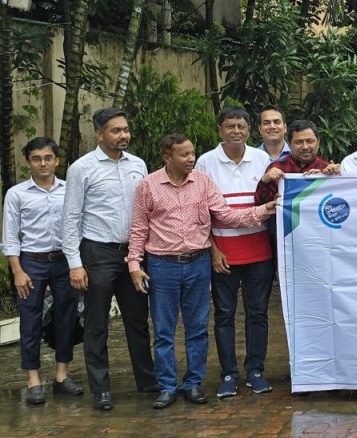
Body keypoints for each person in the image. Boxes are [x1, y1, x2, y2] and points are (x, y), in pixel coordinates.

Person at [127, 134, 278, 409]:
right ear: (167, 157)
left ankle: (193, 383)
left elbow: (227, 215)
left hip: (198, 263)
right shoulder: (148, 186)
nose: (191, 159)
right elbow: (138, 229)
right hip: (162, 265)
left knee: (197, 328)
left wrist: (264, 210)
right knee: (163, 330)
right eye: (184, 154)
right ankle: (167, 387)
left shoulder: (203, 182)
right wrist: (134, 265)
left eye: (192, 153)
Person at [62, 108, 156, 410]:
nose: (123, 135)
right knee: (97, 323)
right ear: (99, 134)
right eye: (116, 130)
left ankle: (147, 381)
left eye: (125, 129)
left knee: (138, 320)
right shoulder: (82, 168)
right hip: (97, 253)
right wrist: (75, 263)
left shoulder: (138, 165)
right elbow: (71, 218)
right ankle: (101, 389)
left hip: (134, 253)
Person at [195, 107, 276, 398]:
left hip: (260, 253)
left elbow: (273, 199)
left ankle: (255, 371)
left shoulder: (263, 160)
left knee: (258, 313)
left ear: (249, 130)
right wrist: (213, 250)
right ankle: (228, 373)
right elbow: (199, 213)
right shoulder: (205, 162)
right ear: (220, 129)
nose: (236, 131)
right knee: (224, 315)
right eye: (230, 126)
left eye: (241, 126)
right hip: (224, 255)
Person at [3, 137, 83, 405]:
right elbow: (10, 236)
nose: (43, 163)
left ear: (56, 160)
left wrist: (78, 263)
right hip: (31, 262)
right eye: (36, 159)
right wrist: (17, 270)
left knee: (67, 317)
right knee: (30, 319)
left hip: (64, 260)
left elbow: (78, 226)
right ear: (29, 162)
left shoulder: (69, 190)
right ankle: (33, 380)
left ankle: (62, 376)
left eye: (48, 158)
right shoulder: (17, 194)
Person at [255, 120, 341, 205]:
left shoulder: (327, 170)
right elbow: (260, 204)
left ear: (318, 143)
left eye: (310, 141)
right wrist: (264, 182)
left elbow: (339, 203)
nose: (305, 147)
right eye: (298, 142)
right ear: (289, 144)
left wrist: (334, 177)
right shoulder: (276, 168)